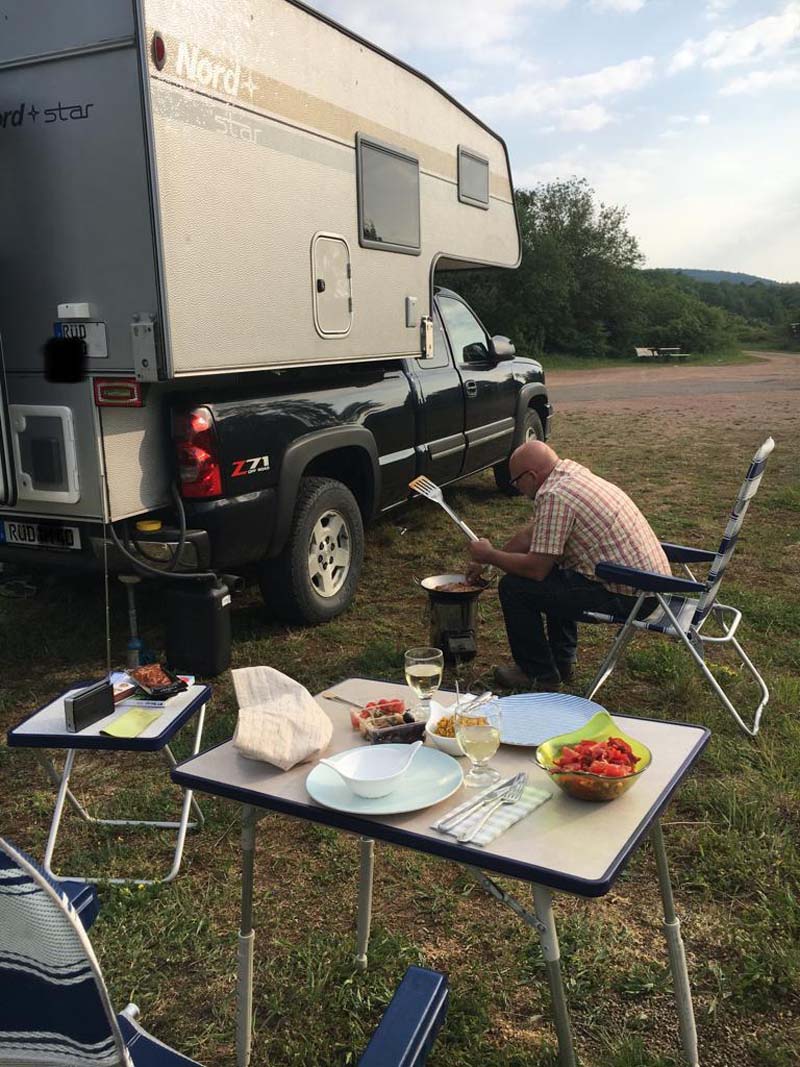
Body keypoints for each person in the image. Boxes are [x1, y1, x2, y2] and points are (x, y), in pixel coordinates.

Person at [467, 440, 670, 689]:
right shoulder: (570, 475)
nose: (516, 488)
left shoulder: (555, 495)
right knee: (559, 573)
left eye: (516, 481)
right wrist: (491, 562)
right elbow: (532, 535)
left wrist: (490, 556)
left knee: (514, 587)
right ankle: (561, 663)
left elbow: (535, 570)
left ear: (531, 475)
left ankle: (538, 674)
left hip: (631, 597)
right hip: (649, 585)